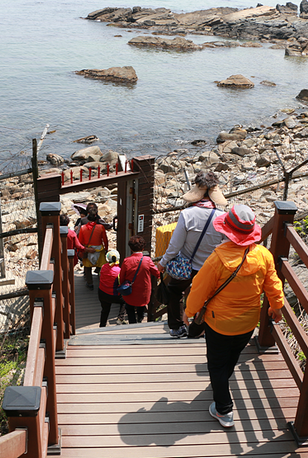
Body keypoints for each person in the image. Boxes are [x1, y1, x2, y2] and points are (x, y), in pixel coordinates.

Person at [184, 205, 284, 428]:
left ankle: (223, 409)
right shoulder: (263, 255)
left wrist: (189, 313)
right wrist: (277, 309)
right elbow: (274, 285)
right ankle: (221, 386)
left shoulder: (217, 259)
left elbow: (198, 290)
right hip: (248, 322)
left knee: (216, 365)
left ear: (226, 231)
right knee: (231, 358)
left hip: (219, 323)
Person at [158, 171, 226, 339]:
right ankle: (201, 327)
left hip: (187, 266)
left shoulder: (187, 214)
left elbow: (175, 246)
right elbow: (225, 245)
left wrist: (163, 262)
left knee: (174, 290)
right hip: (210, 268)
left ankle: (177, 327)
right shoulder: (222, 217)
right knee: (208, 296)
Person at [119, 236, 160, 324]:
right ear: (143, 247)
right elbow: (157, 273)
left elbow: (121, 277)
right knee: (141, 306)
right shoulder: (147, 260)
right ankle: (140, 320)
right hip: (144, 291)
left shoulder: (126, 261)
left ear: (130, 248)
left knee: (129, 308)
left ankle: (132, 323)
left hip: (130, 290)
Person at [77, 214, 109, 288]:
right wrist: (106, 249)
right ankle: (101, 281)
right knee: (101, 265)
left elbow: (80, 241)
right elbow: (105, 239)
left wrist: (81, 250)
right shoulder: (101, 227)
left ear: (88, 219)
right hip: (99, 249)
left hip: (88, 249)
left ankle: (90, 283)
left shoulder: (83, 228)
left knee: (87, 267)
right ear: (96, 219)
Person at [98, 250, 125, 327]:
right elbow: (120, 282)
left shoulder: (103, 267)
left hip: (102, 294)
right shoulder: (119, 271)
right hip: (114, 295)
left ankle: (102, 325)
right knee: (125, 300)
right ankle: (120, 318)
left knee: (105, 310)